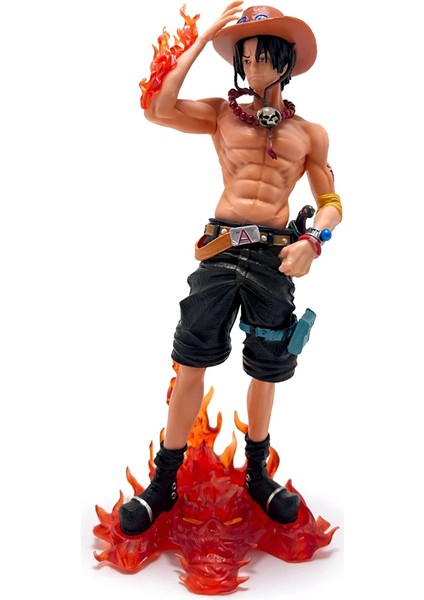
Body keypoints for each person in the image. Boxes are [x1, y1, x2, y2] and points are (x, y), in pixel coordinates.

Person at [119, 1, 343, 536]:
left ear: (285, 62)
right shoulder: (221, 114)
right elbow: (157, 108)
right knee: (191, 360)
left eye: (263, 56)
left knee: (268, 366)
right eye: (245, 57)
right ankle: (164, 482)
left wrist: (314, 241)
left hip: (274, 257)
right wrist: (203, 41)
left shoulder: (310, 134)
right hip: (221, 250)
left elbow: (331, 200)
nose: (253, 66)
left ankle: (258, 474)